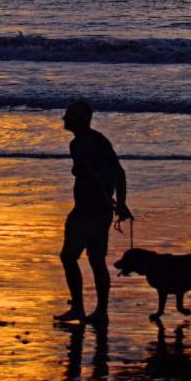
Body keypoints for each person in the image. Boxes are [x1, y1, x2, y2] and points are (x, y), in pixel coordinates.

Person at [54, 100, 132, 327]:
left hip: (90, 211)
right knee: (95, 260)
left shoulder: (81, 144)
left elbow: (109, 173)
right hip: (97, 210)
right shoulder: (96, 141)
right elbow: (118, 172)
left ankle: (82, 308)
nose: (64, 119)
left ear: (78, 119)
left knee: (70, 257)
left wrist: (117, 201)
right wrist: (121, 202)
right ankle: (98, 311)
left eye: (68, 115)